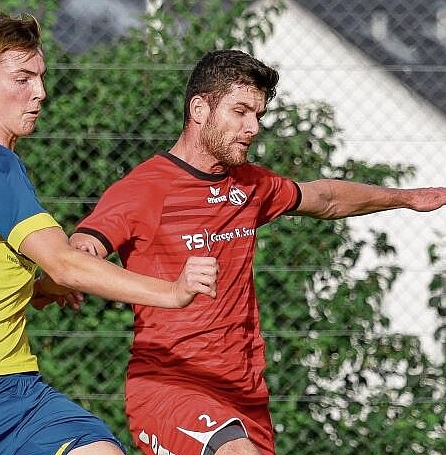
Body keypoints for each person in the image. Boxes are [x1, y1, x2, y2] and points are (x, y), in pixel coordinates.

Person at [70, 49, 446, 455]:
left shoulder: (249, 186)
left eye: (259, 115)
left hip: (245, 396)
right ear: (199, 109)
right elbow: (83, 249)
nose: (252, 127)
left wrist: (407, 197)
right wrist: (69, 268)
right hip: (172, 387)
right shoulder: (145, 190)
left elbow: (327, 198)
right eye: (240, 111)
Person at [0, 13, 219, 455]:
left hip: (17, 393)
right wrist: (173, 292)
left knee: (99, 450)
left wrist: (33, 288)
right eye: (22, 79)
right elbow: (64, 261)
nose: (40, 92)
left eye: (41, 77)